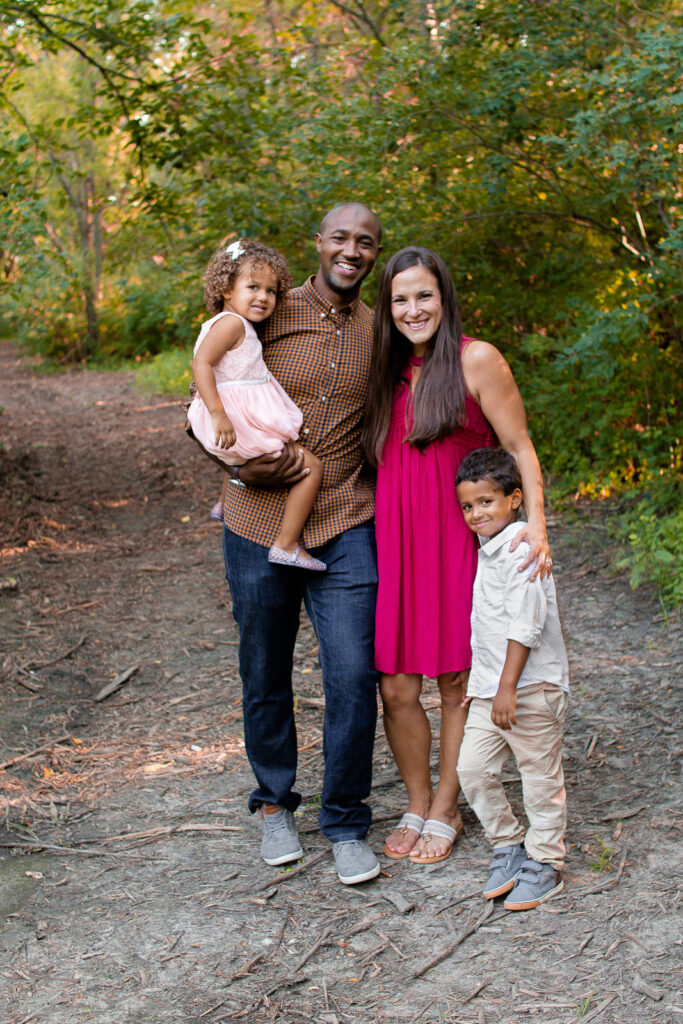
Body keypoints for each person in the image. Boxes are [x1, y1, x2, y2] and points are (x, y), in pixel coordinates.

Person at [362, 247, 552, 865]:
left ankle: (447, 807)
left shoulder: (476, 359)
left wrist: (537, 527)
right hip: (394, 541)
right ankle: (416, 799)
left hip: (454, 543)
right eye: (399, 299)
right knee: (394, 684)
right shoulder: (382, 370)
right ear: (386, 308)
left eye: (424, 295)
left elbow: (520, 448)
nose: (413, 309)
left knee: (453, 682)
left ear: (444, 296)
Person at [219, 203, 384, 885]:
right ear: (318, 243)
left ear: (375, 253)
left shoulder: (381, 331)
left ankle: (344, 819)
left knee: (351, 674)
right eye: (340, 238)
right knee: (265, 669)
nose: (351, 250)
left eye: (365, 243)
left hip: (345, 516)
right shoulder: (265, 309)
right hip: (256, 521)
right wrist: (230, 465)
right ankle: (273, 803)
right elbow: (205, 396)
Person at [455, 447, 569, 910]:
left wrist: (505, 688)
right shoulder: (488, 551)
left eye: (486, 502)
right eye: (467, 505)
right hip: (491, 690)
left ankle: (546, 862)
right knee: (472, 769)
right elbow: (488, 629)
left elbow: (525, 624)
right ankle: (508, 844)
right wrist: (479, 688)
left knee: (539, 779)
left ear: (515, 499)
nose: (476, 513)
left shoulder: (524, 545)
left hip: (530, 689)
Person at [188, 239, 325, 570]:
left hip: (236, 415)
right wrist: (220, 415)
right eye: (253, 287)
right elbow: (200, 364)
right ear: (226, 289)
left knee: (241, 454)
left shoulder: (233, 323)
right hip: (234, 416)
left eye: (272, 291)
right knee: (312, 467)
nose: (263, 297)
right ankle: (287, 544)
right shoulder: (231, 324)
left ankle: (223, 502)